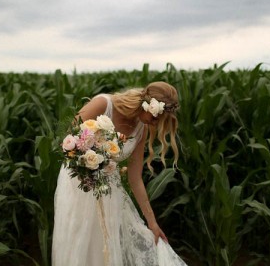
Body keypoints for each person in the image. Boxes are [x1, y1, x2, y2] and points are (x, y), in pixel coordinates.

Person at [52, 81, 188, 266]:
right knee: (81, 239)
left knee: (106, 243)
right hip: (79, 182)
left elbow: (135, 178)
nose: (155, 123)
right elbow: (68, 139)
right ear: (147, 104)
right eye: (156, 118)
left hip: (108, 188)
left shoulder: (142, 129)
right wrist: (91, 160)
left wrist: (152, 222)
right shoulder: (103, 104)